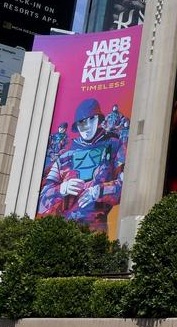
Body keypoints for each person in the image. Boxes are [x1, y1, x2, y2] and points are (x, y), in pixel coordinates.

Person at [38, 98, 125, 232]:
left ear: (99, 119)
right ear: (77, 125)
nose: (87, 126)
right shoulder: (64, 157)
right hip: (64, 231)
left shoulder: (115, 146)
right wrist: (62, 189)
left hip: (97, 230)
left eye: (92, 119)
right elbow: (42, 202)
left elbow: (125, 186)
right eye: (82, 122)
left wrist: (98, 191)